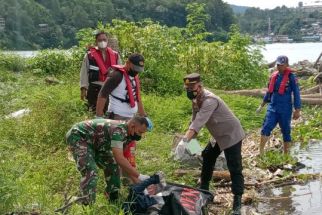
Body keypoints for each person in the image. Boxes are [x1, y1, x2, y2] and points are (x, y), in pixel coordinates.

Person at [180, 73, 245, 215]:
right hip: (218, 135)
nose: (189, 90)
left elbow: (197, 125)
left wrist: (184, 141)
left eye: (192, 87)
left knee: (234, 166)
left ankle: (237, 203)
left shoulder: (210, 100)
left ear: (200, 85)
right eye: (187, 88)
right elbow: (194, 123)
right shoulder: (196, 100)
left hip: (231, 134)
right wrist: (190, 145)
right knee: (207, 155)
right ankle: (204, 190)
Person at [65, 116, 153, 204]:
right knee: (90, 170)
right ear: (132, 126)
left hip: (97, 142)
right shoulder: (118, 131)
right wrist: (140, 175)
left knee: (113, 164)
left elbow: (124, 163)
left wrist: (141, 186)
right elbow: (120, 159)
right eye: (140, 132)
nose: (140, 135)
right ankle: (87, 204)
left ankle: (113, 198)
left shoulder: (129, 135)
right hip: (80, 136)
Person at [96, 53, 147, 169]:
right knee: (118, 149)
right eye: (135, 68)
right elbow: (102, 94)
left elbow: (137, 98)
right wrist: (99, 116)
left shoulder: (134, 76)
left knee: (130, 148)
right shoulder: (116, 75)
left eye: (139, 70)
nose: (137, 72)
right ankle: (117, 174)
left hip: (132, 118)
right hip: (117, 117)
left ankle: (129, 176)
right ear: (128, 63)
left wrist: (143, 115)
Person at [257, 55, 301, 155]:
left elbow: (296, 93)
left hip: (285, 109)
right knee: (266, 127)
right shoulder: (274, 76)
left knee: (286, 131)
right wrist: (262, 105)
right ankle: (261, 152)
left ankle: (286, 156)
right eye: (278, 64)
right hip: (273, 107)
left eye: (281, 65)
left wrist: (297, 110)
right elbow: (269, 92)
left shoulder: (292, 77)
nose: (279, 67)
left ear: (286, 65)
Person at [79, 31, 122, 111]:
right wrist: (83, 89)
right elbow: (84, 73)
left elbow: (121, 73)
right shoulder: (89, 56)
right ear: (96, 42)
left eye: (104, 39)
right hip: (94, 88)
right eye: (100, 40)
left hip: (111, 88)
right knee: (94, 112)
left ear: (107, 41)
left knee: (109, 114)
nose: (102, 42)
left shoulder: (115, 55)